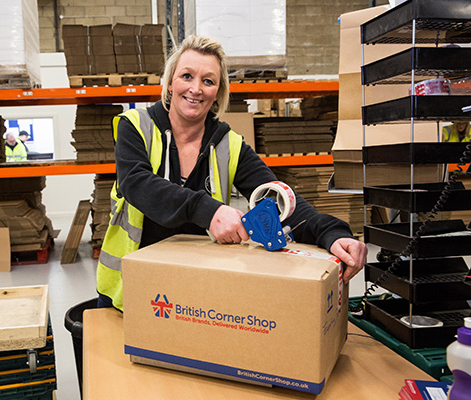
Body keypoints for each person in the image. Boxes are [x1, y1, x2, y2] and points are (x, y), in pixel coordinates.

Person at [96, 35, 367, 311]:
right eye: (187, 76)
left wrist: (332, 233)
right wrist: (209, 211)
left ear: (218, 92)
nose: (196, 88)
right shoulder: (136, 126)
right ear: (169, 84)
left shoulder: (229, 145)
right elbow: (136, 183)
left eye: (208, 81)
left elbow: (278, 199)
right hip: (128, 289)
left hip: (193, 292)